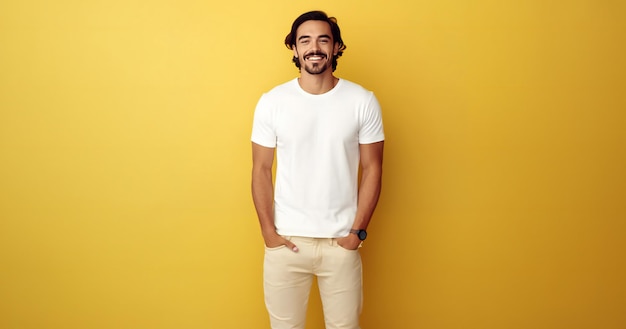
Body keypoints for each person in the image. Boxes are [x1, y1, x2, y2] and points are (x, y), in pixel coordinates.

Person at [251, 10, 384, 329]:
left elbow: (373, 167)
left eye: (323, 39)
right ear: (294, 49)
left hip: (341, 242)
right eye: (305, 40)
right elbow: (261, 170)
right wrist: (269, 232)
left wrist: (357, 233)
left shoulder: (362, 100)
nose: (314, 47)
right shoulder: (273, 102)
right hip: (287, 242)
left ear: (337, 47)